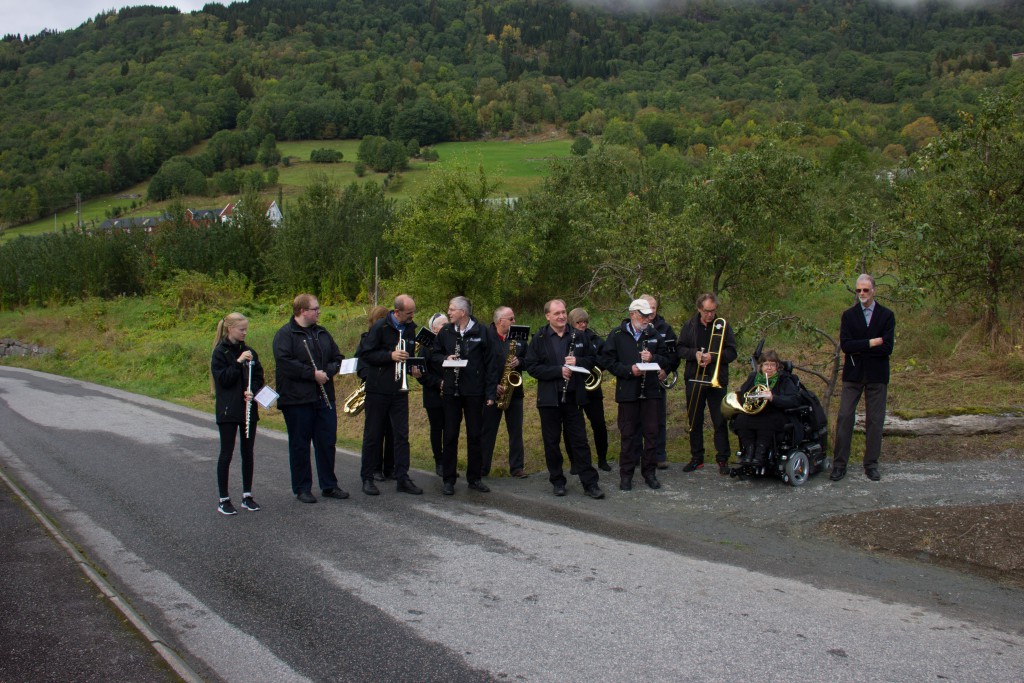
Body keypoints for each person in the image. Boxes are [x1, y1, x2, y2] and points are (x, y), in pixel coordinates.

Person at [524, 299, 604, 499]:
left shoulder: (578, 335)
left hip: (573, 397)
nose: (561, 316)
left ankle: (590, 483)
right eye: (556, 313)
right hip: (549, 399)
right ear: (547, 316)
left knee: (580, 442)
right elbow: (532, 367)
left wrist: (579, 361)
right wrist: (558, 371)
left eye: (563, 312)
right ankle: (557, 481)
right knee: (551, 442)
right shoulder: (539, 338)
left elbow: (594, 361)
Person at [272, 294, 348, 504]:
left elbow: (337, 358)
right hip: (297, 399)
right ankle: (302, 487)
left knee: (326, 442)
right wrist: (311, 374)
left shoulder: (322, 333)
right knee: (300, 444)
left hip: (323, 398)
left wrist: (327, 372)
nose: (318, 312)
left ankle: (329, 485)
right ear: (303, 311)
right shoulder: (285, 335)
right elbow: (285, 363)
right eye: (315, 309)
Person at [355, 294, 424, 496]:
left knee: (402, 436)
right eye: (408, 312)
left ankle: (402, 477)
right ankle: (367, 477)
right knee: (373, 435)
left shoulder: (411, 328)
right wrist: (389, 356)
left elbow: (409, 355)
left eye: (413, 312)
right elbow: (366, 355)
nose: (412, 315)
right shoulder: (380, 328)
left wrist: (413, 367)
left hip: (399, 390)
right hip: (378, 389)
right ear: (397, 312)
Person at [429, 296, 498, 495]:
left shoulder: (482, 332)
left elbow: (491, 364)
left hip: (474, 391)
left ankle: (474, 478)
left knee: (475, 435)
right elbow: (433, 355)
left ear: (463, 312)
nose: (448, 312)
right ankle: (448, 479)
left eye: (451, 309)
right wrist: (445, 358)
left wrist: (490, 392)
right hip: (452, 391)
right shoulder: (446, 331)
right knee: (450, 434)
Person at [830, 274, 896, 482]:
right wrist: (870, 343)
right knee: (845, 417)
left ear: (873, 290)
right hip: (853, 374)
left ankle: (871, 464)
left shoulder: (886, 315)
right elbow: (847, 346)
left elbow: (887, 347)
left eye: (865, 290)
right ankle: (839, 464)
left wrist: (862, 346)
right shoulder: (849, 316)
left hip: (877, 375)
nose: (862, 294)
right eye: (858, 290)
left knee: (875, 421)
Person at [601, 299, 670, 491]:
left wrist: (654, 358)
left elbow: (667, 359)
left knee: (651, 434)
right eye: (643, 315)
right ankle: (626, 475)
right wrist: (629, 370)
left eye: (649, 315)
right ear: (632, 314)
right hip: (628, 392)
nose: (647, 319)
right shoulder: (617, 334)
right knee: (628, 435)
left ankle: (649, 473)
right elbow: (607, 361)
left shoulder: (654, 333)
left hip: (651, 391)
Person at [677, 293, 738, 475]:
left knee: (719, 420)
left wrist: (713, 357)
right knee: (694, 420)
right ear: (699, 309)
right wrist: (694, 354)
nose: (710, 315)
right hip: (694, 378)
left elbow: (732, 352)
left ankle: (722, 458)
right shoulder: (689, 326)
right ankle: (697, 457)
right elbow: (680, 348)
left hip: (716, 379)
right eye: (706, 311)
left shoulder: (723, 326)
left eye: (713, 311)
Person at [210, 312, 265, 515]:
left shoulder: (250, 351)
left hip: (248, 409)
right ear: (230, 329)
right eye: (241, 329)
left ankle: (247, 495)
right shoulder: (220, 353)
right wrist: (238, 361)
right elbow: (223, 379)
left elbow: (259, 376)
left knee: (247, 452)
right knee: (227, 453)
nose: (244, 333)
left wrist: (254, 390)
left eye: (246, 329)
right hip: (228, 410)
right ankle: (224, 498)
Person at [732, 349, 801, 467]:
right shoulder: (753, 378)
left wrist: (773, 398)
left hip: (776, 413)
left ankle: (760, 455)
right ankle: (749, 452)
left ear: (777, 366)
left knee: (767, 421)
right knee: (740, 420)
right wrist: (752, 398)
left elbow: (794, 400)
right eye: (766, 364)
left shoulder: (784, 379)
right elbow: (742, 395)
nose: (769, 368)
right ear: (761, 366)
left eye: (772, 365)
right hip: (754, 413)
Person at [481, 306, 527, 478]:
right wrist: (492, 386)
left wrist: (519, 361)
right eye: (512, 318)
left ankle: (517, 468)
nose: (515, 322)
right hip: (492, 392)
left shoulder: (518, 337)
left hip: (514, 392)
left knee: (516, 432)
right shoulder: (485, 337)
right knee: (487, 432)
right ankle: (482, 468)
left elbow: (530, 360)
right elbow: (478, 365)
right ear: (500, 321)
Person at [567, 307, 610, 472]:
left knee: (599, 424)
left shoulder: (595, 339)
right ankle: (574, 463)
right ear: (572, 322)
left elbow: (606, 358)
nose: (583, 325)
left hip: (593, 388)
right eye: (579, 322)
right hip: (573, 388)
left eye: (585, 322)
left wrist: (588, 362)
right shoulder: (567, 338)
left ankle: (603, 459)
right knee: (572, 427)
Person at [640, 294, 679, 470]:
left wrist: (666, 370)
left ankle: (659, 455)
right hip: (636, 381)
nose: (651, 311)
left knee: (658, 419)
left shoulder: (665, 329)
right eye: (648, 307)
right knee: (636, 419)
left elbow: (673, 355)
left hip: (657, 382)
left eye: (654, 307)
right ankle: (636, 455)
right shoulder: (632, 327)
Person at [358, 305, 394, 482]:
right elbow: (362, 363)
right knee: (375, 431)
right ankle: (374, 468)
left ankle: (390, 467)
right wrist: (368, 376)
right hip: (375, 389)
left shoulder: (392, 338)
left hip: (391, 389)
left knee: (392, 430)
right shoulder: (366, 339)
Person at [417, 313, 448, 477]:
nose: (446, 326)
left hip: (451, 394)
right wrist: (438, 383)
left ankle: (449, 462)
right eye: (442, 325)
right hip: (433, 395)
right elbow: (421, 373)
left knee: (450, 428)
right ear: (434, 329)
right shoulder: (426, 346)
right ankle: (439, 462)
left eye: (447, 324)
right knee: (437, 429)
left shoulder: (450, 342)